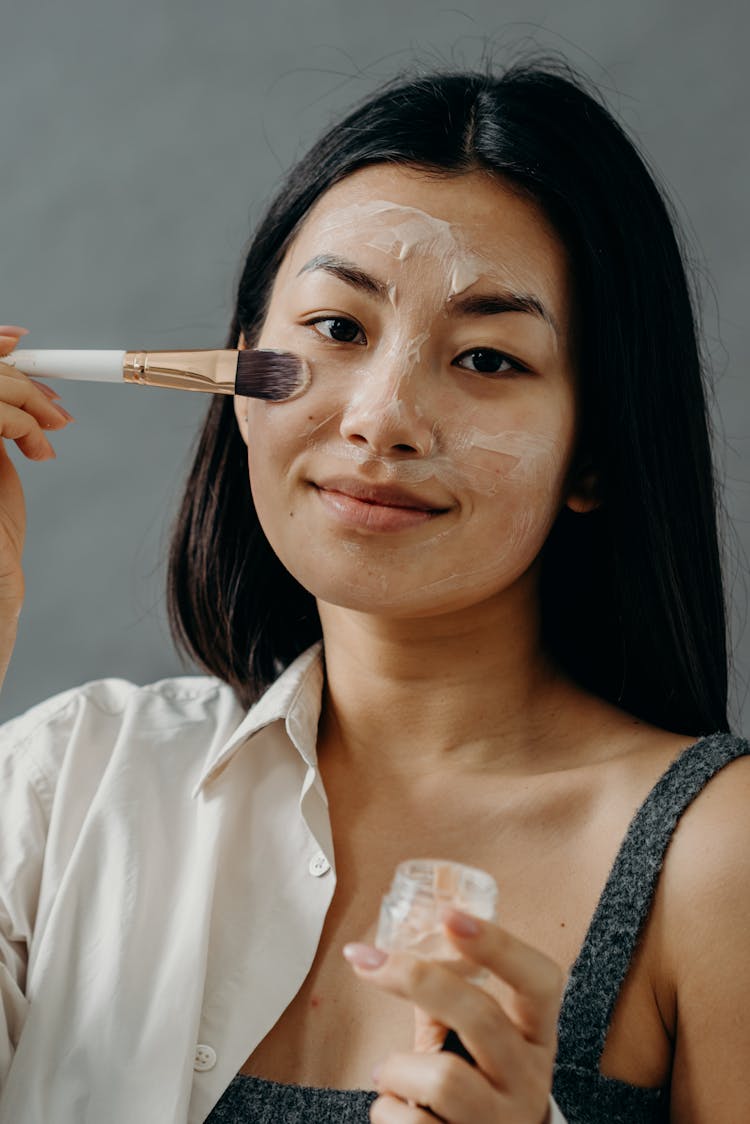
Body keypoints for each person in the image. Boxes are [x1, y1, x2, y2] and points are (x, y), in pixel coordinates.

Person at [0, 57, 748, 1124]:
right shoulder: (57, 786)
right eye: (339, 330)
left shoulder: (718, 861)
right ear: (244, 379)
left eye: (488, 359)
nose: (382, 415)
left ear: (597, 455)